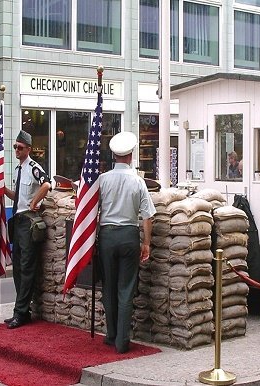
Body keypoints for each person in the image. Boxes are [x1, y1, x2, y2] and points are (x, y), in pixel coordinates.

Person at [99, 131, 156, 353]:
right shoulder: (138, 182)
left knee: (109, 287)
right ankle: (122, 341)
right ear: (131, 155)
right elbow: (147, 216)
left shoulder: (103, 180)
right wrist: (147, 243)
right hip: (129, 236)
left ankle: (111, 335)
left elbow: (94, 211)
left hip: (107, 236)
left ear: (113, 155)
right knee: (126, 288)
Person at [4, 130, 51, 329]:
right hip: (18, 220)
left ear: (28, 149)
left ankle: (20, 312)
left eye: (20, 147)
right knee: (18, 268)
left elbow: (47, 184)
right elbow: (18, 197)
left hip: (29, 221)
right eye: (15, 147)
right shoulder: (18, 169)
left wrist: (35, 201)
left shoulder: (33, 167)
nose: (17, 150)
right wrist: (3, 189)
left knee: (27, 267)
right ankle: (23, 309)